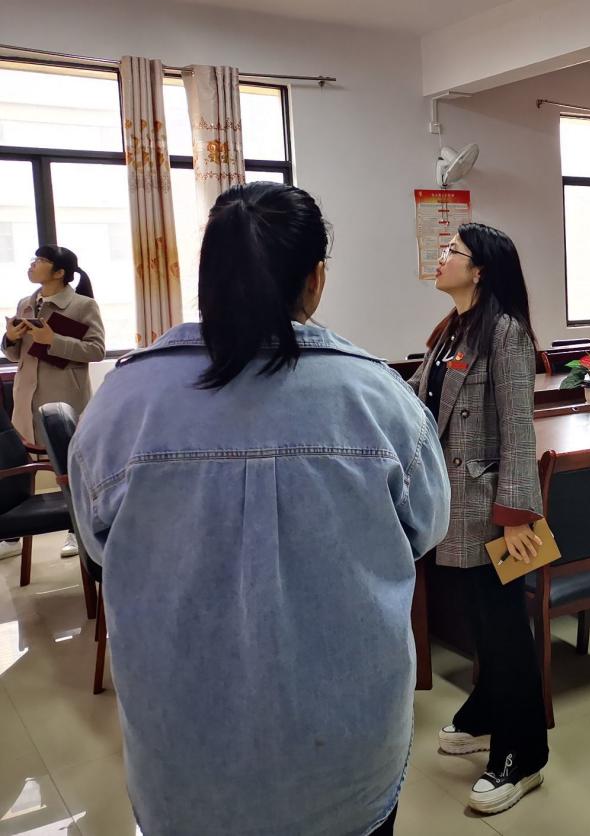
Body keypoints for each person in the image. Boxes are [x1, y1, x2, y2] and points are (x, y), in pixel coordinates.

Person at [68, 182, 449, 836]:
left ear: (207, 278)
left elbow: (100, 547)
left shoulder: (122, 403)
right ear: (315, 279)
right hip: (345, 751)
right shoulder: (378, 398)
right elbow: (425, 529)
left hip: (184, 757)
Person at [409, 223, 548, 815]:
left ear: (480, 269)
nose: (442, 258)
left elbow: (518, 429)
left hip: (493, 511)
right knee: (480, 622)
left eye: (453, 252)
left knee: (505, 629)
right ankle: (487, 712)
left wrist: (516, 517)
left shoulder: (506, 332)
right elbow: (420, 398)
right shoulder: (452, 329)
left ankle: (523, 755)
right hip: (456, 503)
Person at [0, 246, 104, 561]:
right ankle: (13, 535)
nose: (32, 264)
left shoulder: (82, 305)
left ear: (59, 272)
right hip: (25, 395)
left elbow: (96, 350)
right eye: (33, 259)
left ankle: (76, 529)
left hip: (63, 396)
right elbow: (15, 355)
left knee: (69, 464)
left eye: (41, 260)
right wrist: (10, 339)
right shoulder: (26, 303)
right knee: (19, 463)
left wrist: (53, 341)